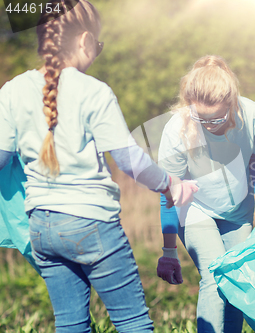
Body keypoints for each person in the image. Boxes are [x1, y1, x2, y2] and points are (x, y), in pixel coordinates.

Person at [0, 1, 198, 332]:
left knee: (70, 323)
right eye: (99, 46)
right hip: (92, 224)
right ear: (85, 41)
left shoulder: (12, 91)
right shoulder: (94, 91)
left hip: (42, 228)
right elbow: (129, 159)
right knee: (132, 320)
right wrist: (170, 184)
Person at [156, 55, 255, 333]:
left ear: (232, 102)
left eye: (217, 117)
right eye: (200, 117)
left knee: (235, 281)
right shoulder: (176, 130)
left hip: (237, 211)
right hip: (193, 210)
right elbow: (169, 195)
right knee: (215, 277)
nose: (209, 124)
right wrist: (168, 251)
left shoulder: (252, 115)